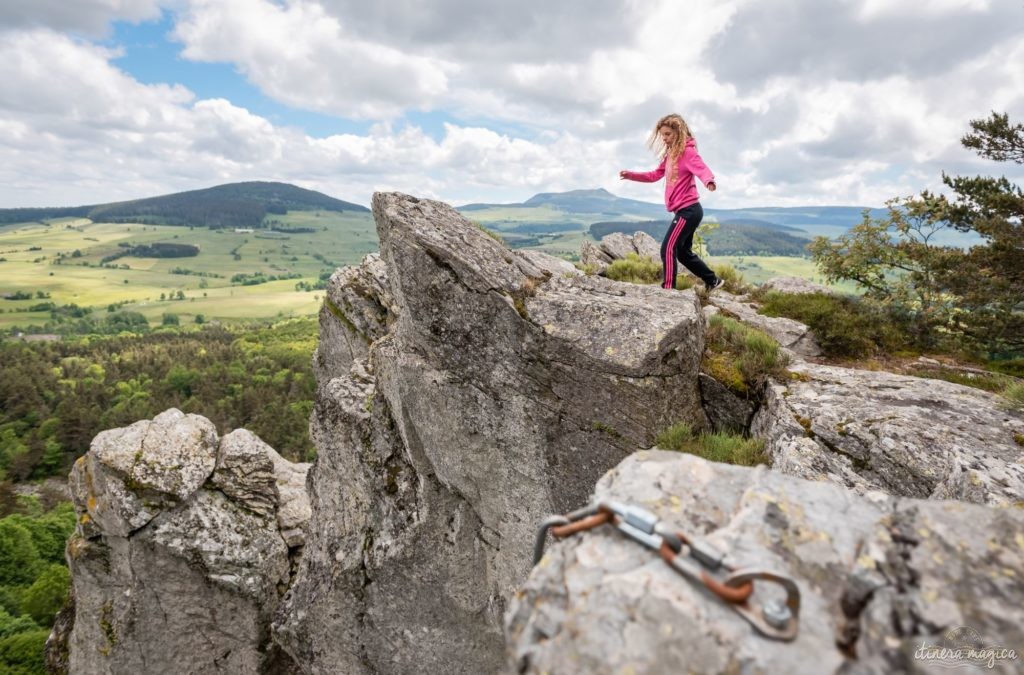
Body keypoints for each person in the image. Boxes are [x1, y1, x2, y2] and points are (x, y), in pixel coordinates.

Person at [620, 114, 724, 292]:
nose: (665, 138)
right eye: (662, 135)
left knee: (667, 248)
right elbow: (654, 175)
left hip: (689, 210)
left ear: (678, 131)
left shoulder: (688, 152)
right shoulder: (670, 155)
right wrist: (631, 175)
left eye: (668, 134)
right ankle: (713, 281)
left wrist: (709, 181)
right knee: (683, 253)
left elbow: (702, 168)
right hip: (685, 211)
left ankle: (668, 289)